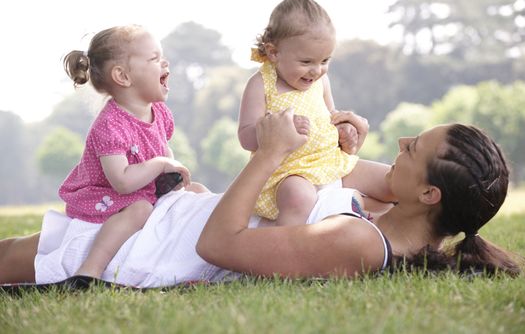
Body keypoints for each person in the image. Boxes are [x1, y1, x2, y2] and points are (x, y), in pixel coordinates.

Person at [0, 109, 521, 286]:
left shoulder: (358, 242)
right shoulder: (388, 201)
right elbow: (345, 161)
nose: (401, 142)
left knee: (9, 257)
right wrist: (334, 133)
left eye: (414, 149)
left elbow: (219, 245)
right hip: (166, 218)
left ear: (429, 194)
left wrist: (268, 154)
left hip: (157, 249)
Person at [57, 25, 205, 280]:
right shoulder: (110, 124)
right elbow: (122, 181)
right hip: (107, 195)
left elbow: (162, 149)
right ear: (123, 76)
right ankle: (90, 268)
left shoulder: (159, 111)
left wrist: (171, 173)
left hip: (146, 190)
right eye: (154, 58)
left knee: (198, 191)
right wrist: (160, 164)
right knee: (140, 210)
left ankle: (191, 259)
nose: (165, 62)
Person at [238, 0, 393, 225]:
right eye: (306, 61)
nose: (317, 70)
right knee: (298, 198)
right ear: (274, 52)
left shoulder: (320, 81)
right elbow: (246, 137)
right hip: (288, 173)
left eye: (325, 60)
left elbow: (331, 117)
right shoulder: (261, 84)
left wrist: (344, 131)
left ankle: (392, 235)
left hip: (331, 162)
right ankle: (282, 250)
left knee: (391, 181)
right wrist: (280, 129)